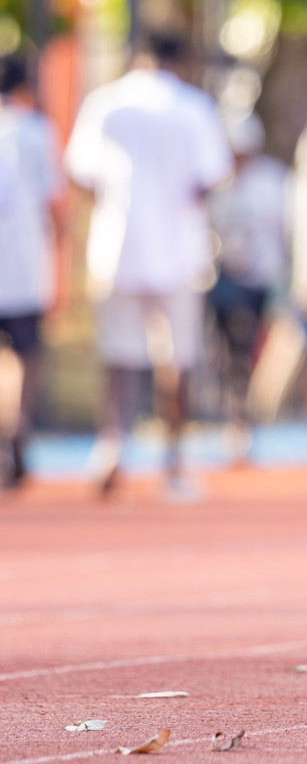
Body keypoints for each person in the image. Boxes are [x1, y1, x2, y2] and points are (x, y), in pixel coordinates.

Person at [64, 33, 233, 496]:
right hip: (179, 252)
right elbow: (212, 178)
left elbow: (82, 175)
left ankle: (112, 447)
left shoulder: (106, 104)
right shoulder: (194, 108)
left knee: (118, 359)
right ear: (176, 60)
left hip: (117, 246)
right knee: (177, 360)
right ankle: (174, 462)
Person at [206, 112, 290, 461]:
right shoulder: (218, 182)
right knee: (224, 352)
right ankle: (234, 417)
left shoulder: (271, 181)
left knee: (244, 349)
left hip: (256, 280)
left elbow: (280, 231)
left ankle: (242, 420)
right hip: (221, 278)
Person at [0, 55, 65, 489]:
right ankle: (18, 429)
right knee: (27, 356)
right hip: (22, 264)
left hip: (21, 261)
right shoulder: (38, 131)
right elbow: (54, 202)